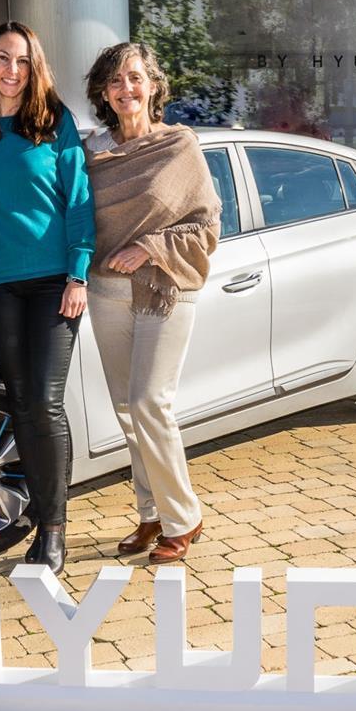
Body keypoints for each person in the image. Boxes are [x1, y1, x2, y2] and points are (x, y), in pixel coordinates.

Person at [0, 22, 95, 574]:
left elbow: (78, 203)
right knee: (18, 399)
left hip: (55, 281)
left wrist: (79, 274)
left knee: (44, 399)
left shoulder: (54, 123)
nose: (12, 71)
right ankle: (39, 502)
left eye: (23, 61)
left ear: (36, 69)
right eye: (3, 59)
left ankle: (54, 528)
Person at [83, 42, 220, 563]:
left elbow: (206, 225)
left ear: (153, 85)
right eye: (115, 81)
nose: (126, 89)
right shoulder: (92, 152)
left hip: (165, 286)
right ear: (103, 92)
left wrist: (150, 247)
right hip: (106, 290)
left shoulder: (178, 145)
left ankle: (184, 517)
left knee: (149, 403)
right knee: (125, 410)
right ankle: (152, 514)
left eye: (135, 78)